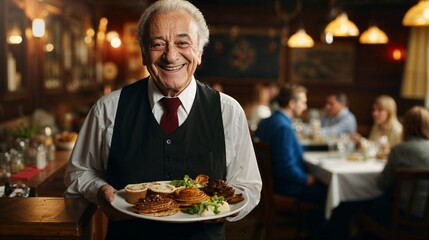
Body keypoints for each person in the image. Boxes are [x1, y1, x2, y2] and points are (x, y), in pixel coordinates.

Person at [63, 1, 262, 239]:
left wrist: (224, 208)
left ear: (199, 51)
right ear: (144, 53)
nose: (170, 56)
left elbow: (249, 187)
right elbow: (79, 172)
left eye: (183, 43)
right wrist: (98, 190)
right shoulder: (108, 109)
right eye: (158, 44)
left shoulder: (229, 112)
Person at [325, 105, 429, 240]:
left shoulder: (399, 150)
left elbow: (382, 184)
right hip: (425, 216)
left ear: (406, 126)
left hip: (400, 214)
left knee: (345, 207)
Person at [255, 84, 327, 208]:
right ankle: (317, 226)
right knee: (329, 192)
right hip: (285, 186)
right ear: (292, 103)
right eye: (303, 102)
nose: (305, 107)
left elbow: (287, 149)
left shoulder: (266, 121)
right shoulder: (284, 128)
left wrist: (321, 148)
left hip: (268, 183)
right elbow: (285, 168)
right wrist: (306, 179)